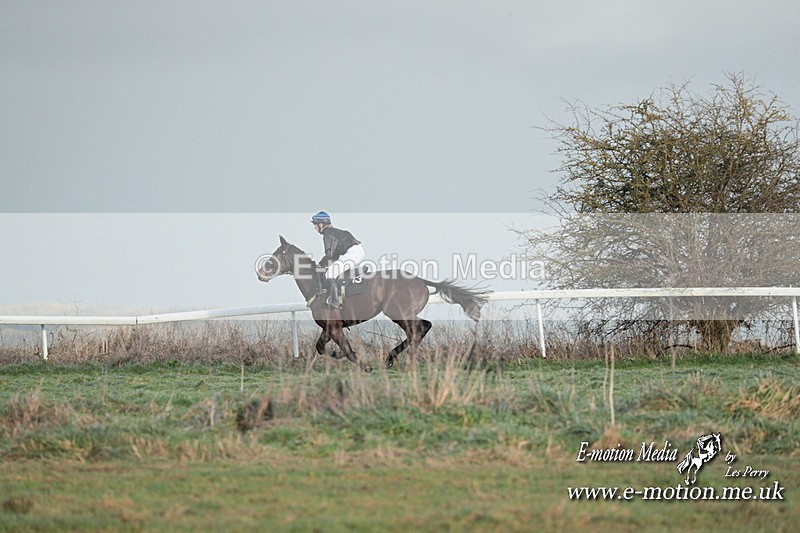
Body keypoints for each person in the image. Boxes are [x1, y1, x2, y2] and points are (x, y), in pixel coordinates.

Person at [310, 212, 365, 307]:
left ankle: (334, 301)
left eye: (315, 224)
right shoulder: (333, 232)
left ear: (320, 224)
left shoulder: (328, 234)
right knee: (336, 270)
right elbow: (334, 255)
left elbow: (330, 255)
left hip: (352, 254)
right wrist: (323, 263)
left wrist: (321, 264)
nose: (315, 227)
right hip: (356, 252)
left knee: (330, 274)